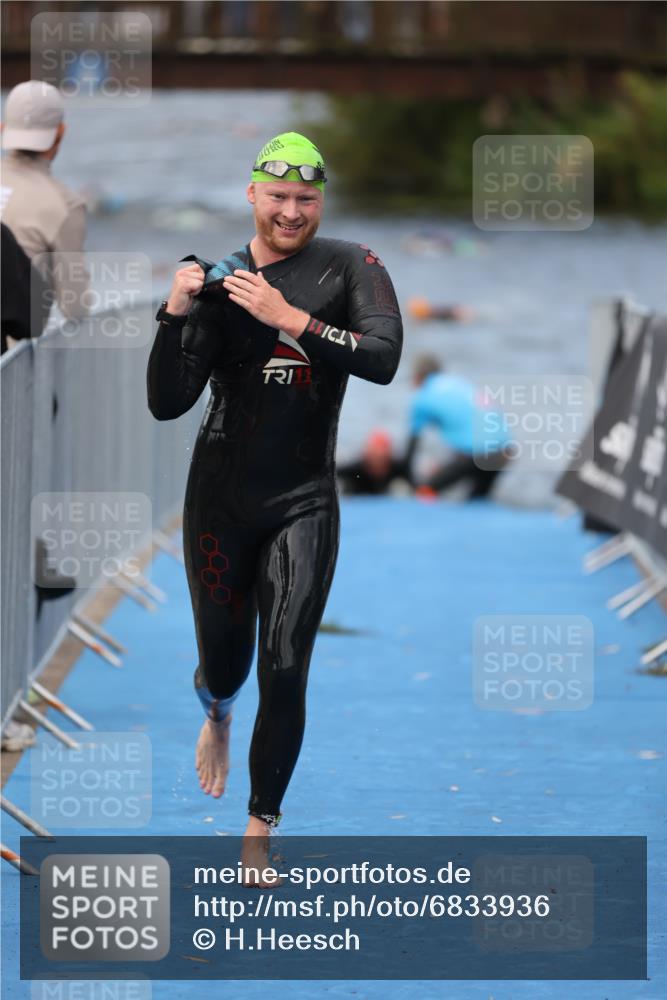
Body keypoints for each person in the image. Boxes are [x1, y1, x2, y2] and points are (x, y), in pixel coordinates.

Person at [146, 132, 402, 879]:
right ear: (252, 195)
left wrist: (292, 318)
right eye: (278, 197)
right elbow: (167, 403)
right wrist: (173, 311)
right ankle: (218, 715)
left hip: (303, 499)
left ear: (320, 202)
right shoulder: (221, 283)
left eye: (306, 200)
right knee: (226, 667)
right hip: (219, 503)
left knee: (285, 663)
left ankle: (259, 827)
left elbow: (382, 359)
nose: (291, 212)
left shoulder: (352, 267)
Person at [1, 80, 89, 328]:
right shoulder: (65, 205)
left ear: (3, 128)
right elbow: (75, 307)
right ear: (60, 132)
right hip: (10, 358)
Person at [404, 354, 510, 499]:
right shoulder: (458, 383)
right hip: (505, 449)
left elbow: (411, 448)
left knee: (425, 490)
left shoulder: (423, 395)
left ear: (417, 377)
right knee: (477, 499)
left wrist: (409, 481)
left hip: (479, 451)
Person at [337, 429, 409, 495]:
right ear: (367, 455)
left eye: (382, 458)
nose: (378, 462)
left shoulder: (399, 471)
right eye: (375, 456)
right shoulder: (354, 472)